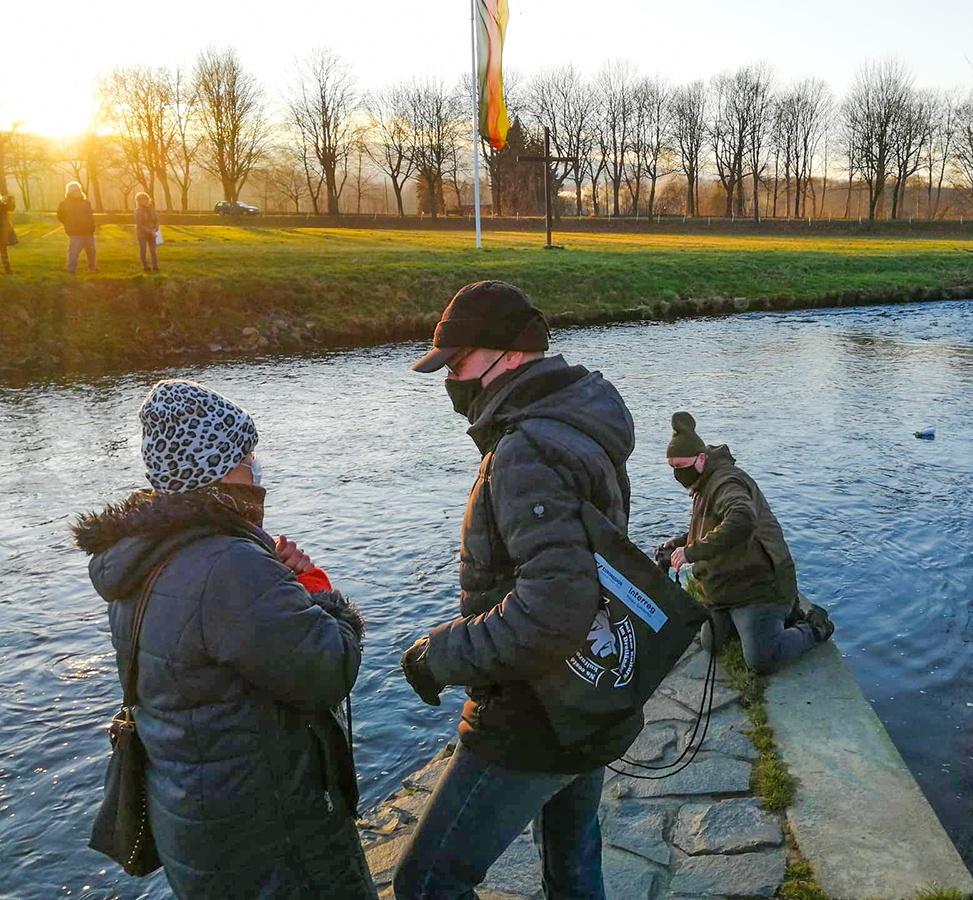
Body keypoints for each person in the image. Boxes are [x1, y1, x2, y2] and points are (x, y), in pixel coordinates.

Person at [73, 379, 375, 899]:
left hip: (195, 824)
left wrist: (275, 586)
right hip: (271, 833)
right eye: (246, 457)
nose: (255, 468)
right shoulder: (230, 565)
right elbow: (328, 668)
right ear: (215, 468)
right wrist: (314, 589)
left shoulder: (139, 559)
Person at [395, 280, 638, 899]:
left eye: (457, 362)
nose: (452, 380)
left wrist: (442, 654)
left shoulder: (529, 449)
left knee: (425, 882)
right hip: (588, 692)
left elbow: (552, 610)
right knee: (572, 867)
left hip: (535, 710)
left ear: (506, 354)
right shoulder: (577, 420)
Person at [659, 411, 835, 675]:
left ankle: (812, 627)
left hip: (759, 584)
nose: (677, 474)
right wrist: (678, 544)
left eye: (681, 466)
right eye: (672, 467)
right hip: (726, 584)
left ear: (701, 459)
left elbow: (741, 519)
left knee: (761, 659)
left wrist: (691, 552)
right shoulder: (701, 482)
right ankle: (758, 621)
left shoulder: (726, 482)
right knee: (711, 644)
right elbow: (712, 526)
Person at [56, 181, 98, 274]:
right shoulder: (64, 204)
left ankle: (92, 268)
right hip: (74, 232)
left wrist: (92, 227)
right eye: (75, 190)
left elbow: (90, 216)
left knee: (91, 251)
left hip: (88, 231)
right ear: (70, 192)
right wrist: (68, 223)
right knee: (74, 251)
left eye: (79, 189)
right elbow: (60, 216)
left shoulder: (86, 203)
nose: (78, 191)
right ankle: (71, 269)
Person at [133, 192, 160, 273]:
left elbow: (157, 219)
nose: (145, 201)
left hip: (152, 232)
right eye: (142, 200)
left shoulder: (152, 209)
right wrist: (149, 231)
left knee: (153, 250)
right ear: (139, 201)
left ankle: (155, 266)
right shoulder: (137, 211)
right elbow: (140, 224)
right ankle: (145, 266)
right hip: (142, 234)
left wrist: (156, 228)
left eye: (145, 199)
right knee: (143, 250)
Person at [0, 194, 14, 275]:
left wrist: (10, 200)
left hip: (2, 229)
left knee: (3, 249)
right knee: (3, 250)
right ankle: (7, 269)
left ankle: (7, 269)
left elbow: (11, 208)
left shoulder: (2, 202)